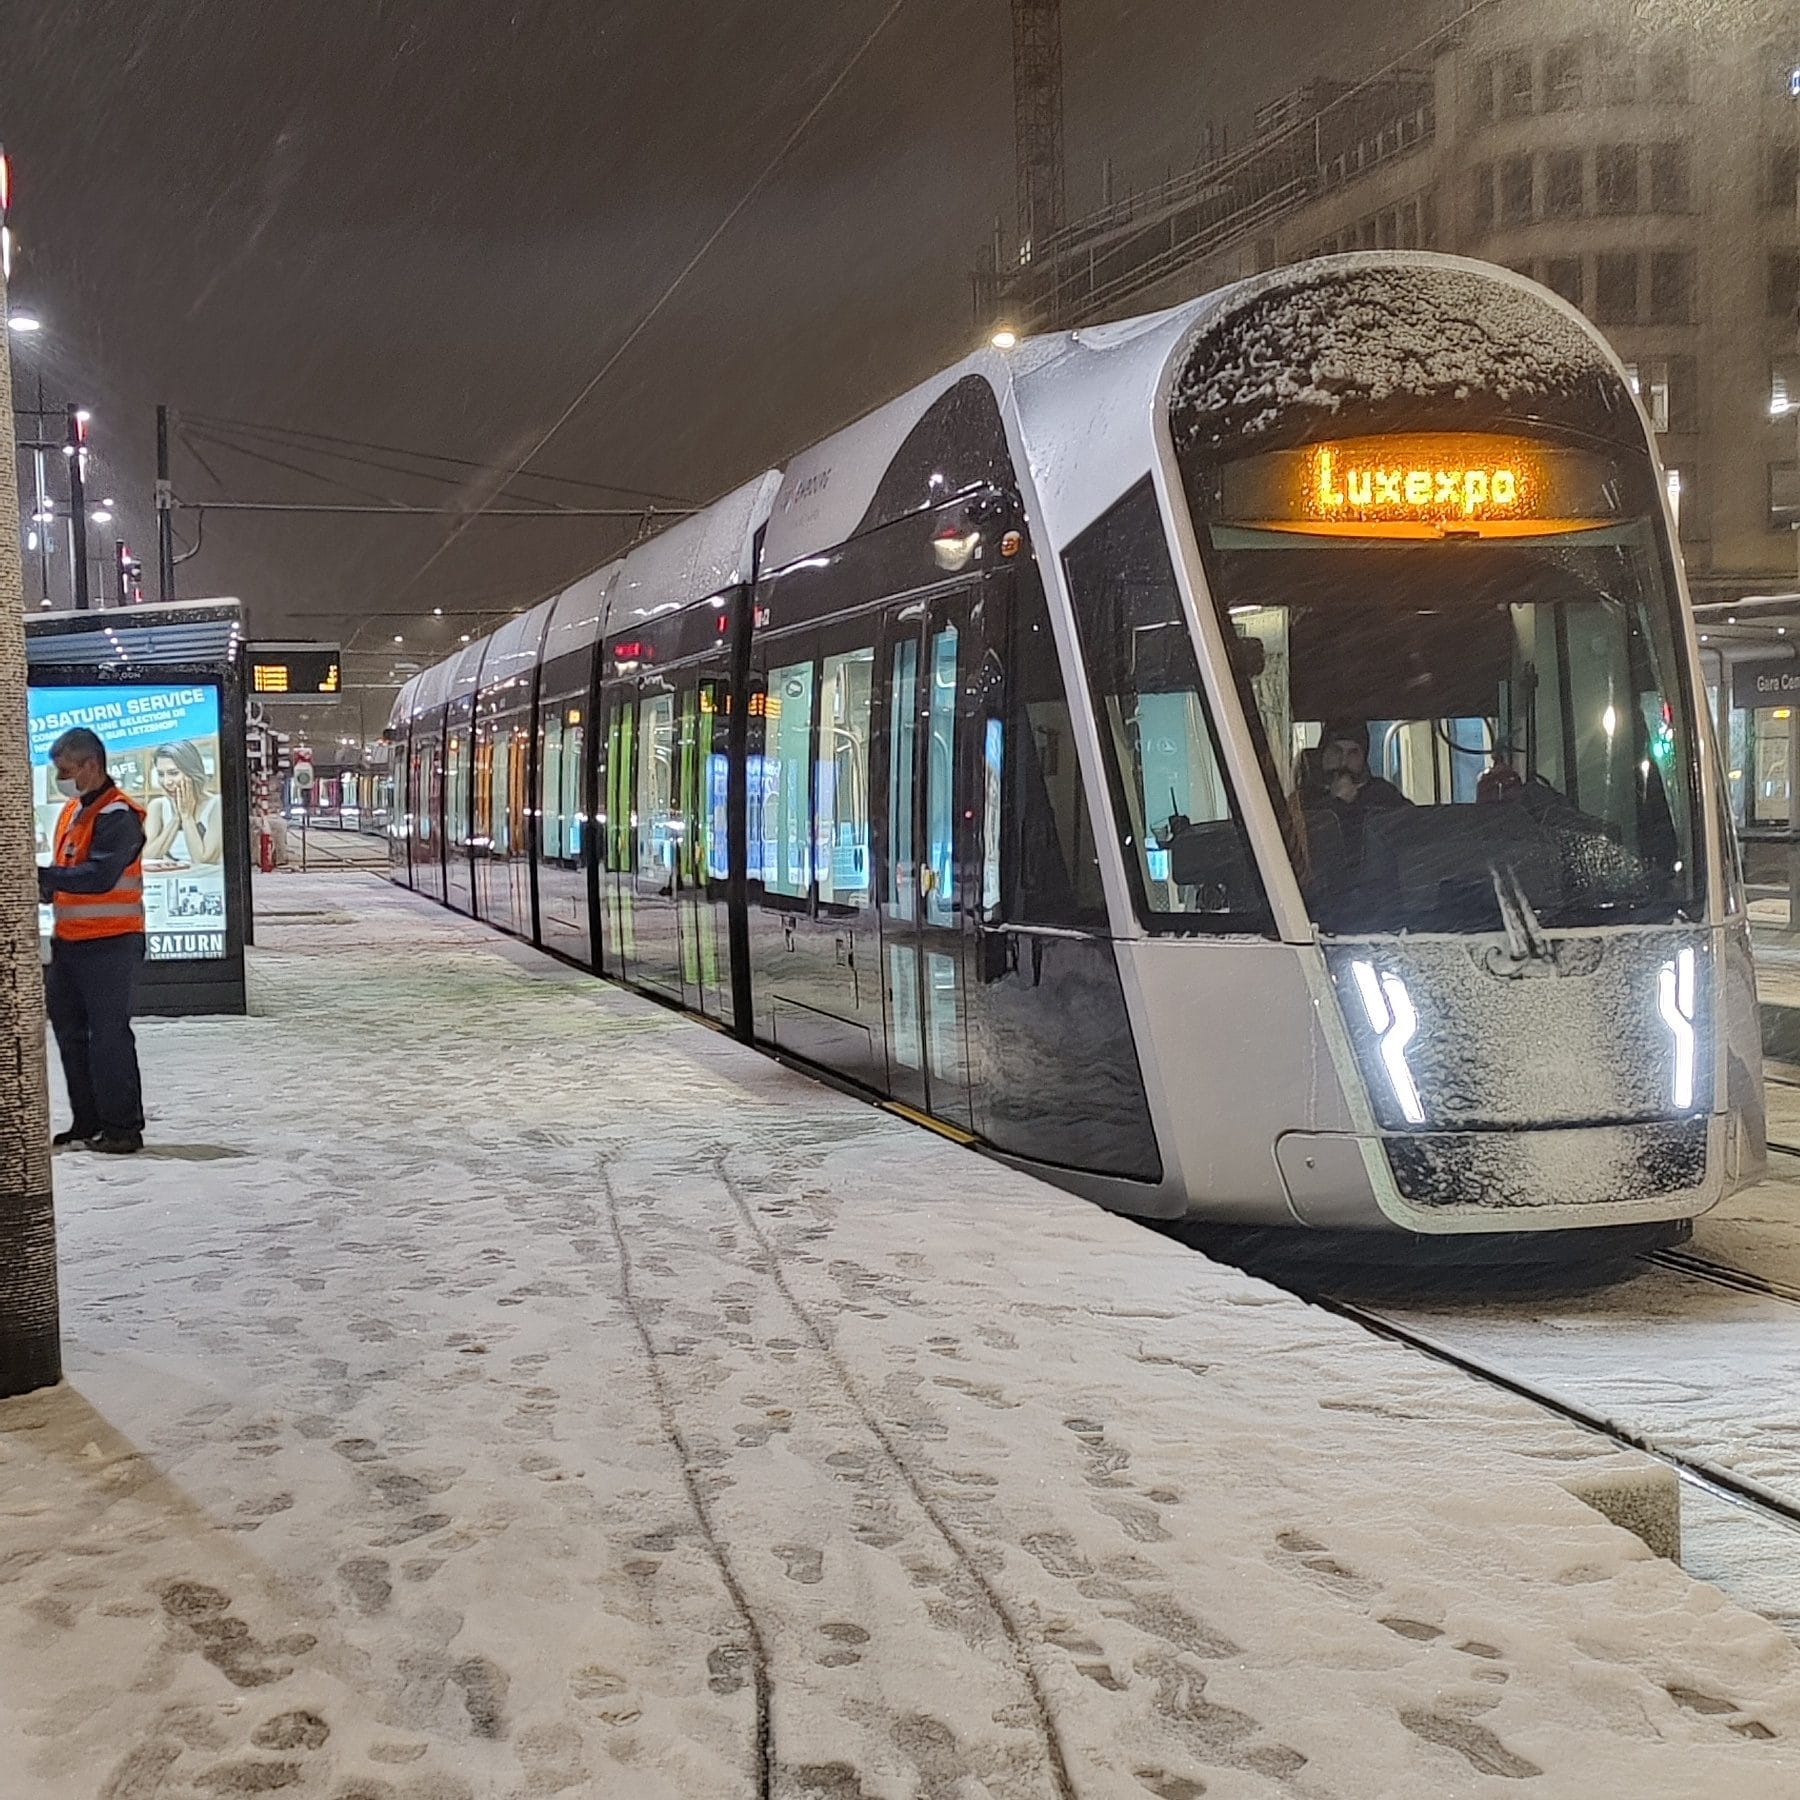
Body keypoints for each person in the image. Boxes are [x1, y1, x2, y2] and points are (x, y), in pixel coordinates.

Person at [38, 727, 148, 1154]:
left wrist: (43, 879)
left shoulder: (118, 815)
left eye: (65, 770)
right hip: (70, 943)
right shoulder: (72, 813)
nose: (61, 777)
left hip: (111, 944)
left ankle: (122, 1128)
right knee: (70, 1034)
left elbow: (100, 876)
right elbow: (68, 872)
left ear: (91, 765)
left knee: (108, 1037)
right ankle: (87, 1121)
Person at [143, 739, 224, 868]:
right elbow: (148, 856)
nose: (166, 781)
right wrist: (176, 818)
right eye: (161, 774)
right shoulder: (157, 806)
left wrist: (186, 816)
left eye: (173, 773)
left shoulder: (216, 805)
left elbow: (203, 860)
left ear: (192, 772)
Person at [1318, 720, 1410, 810]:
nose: (1343, 762)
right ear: (1323, 754)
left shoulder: (1383, 794)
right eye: (1336, 752)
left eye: (1353, 753)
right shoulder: (1308, 796)